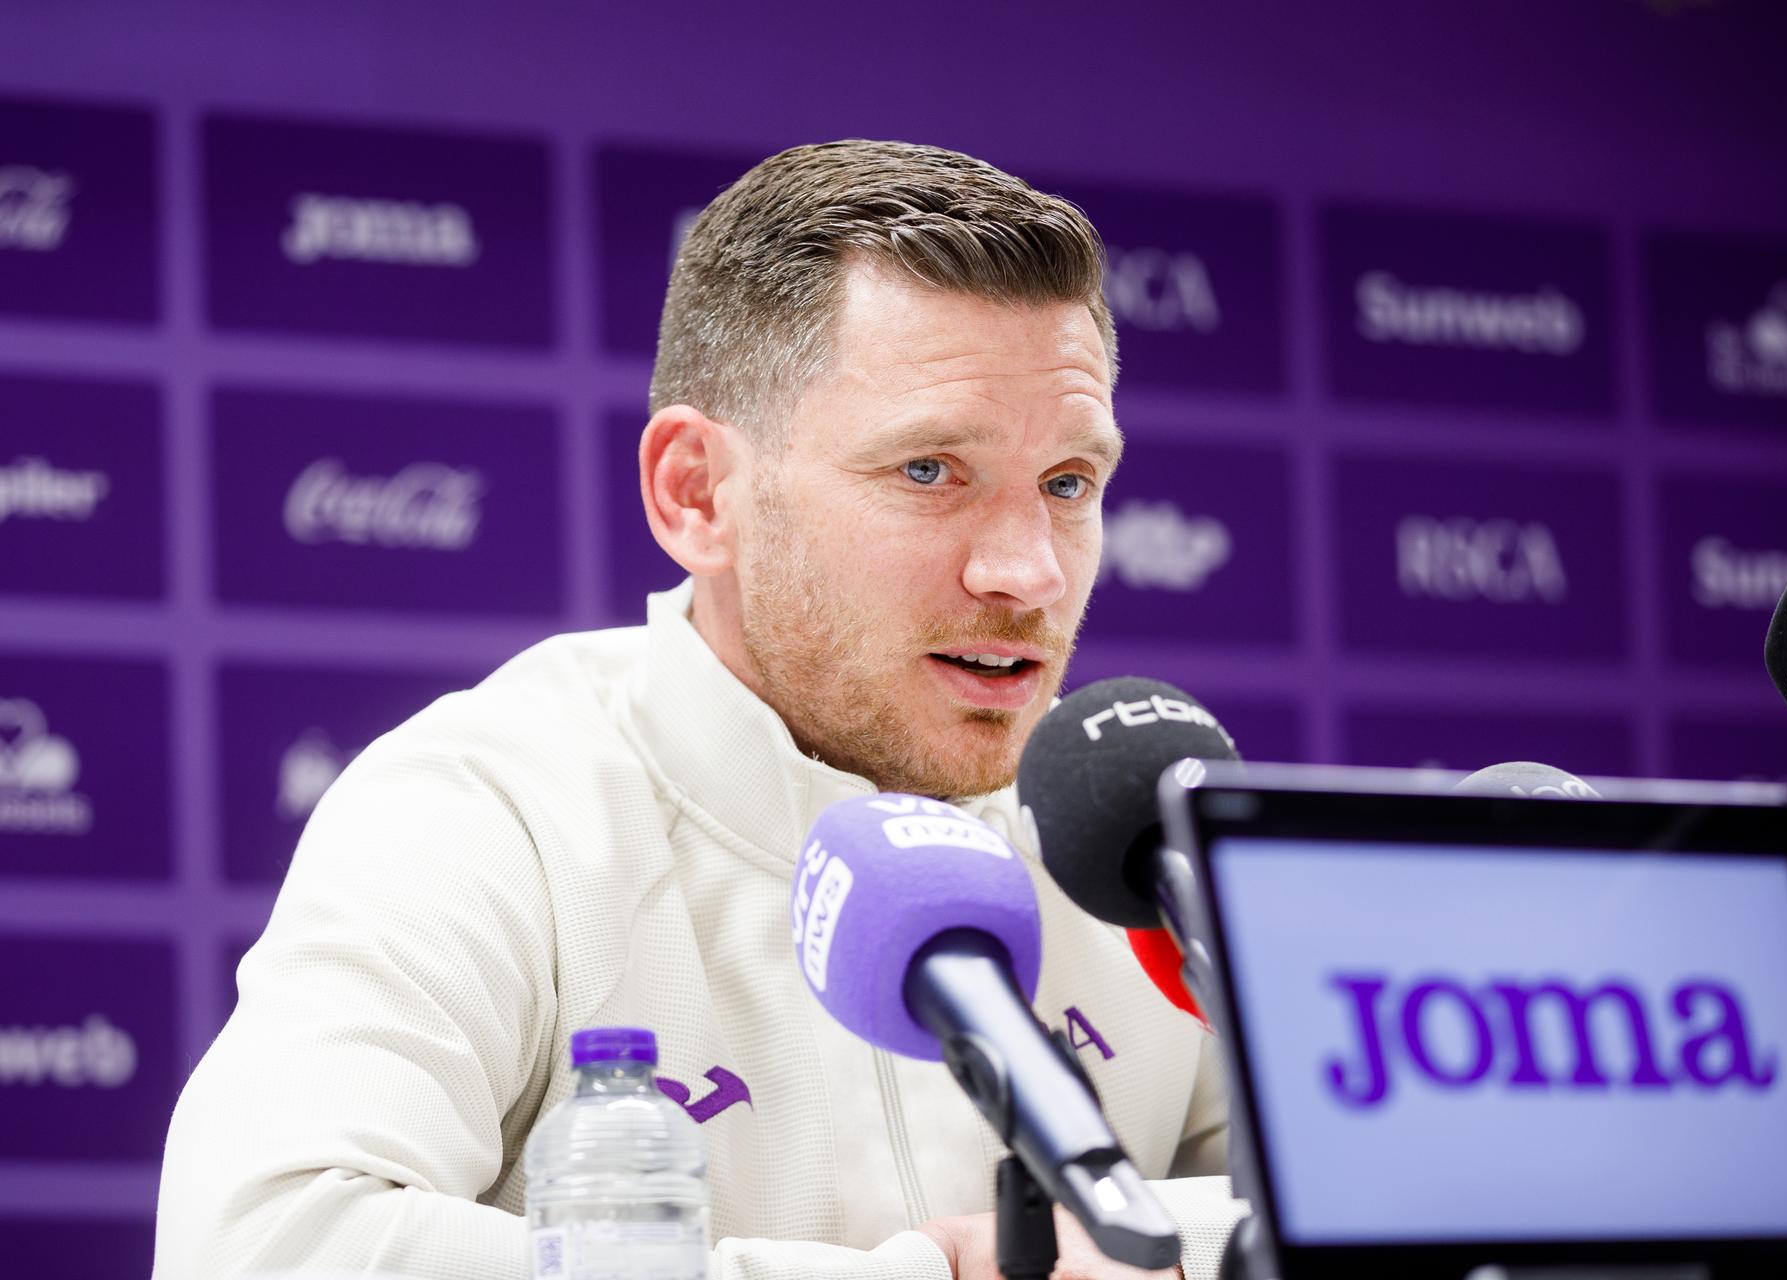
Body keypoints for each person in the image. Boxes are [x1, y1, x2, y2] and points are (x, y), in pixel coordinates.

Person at [155, 139, 1244, 1280]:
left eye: (1068, 483)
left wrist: (1192, 1248)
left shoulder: (1124, 838)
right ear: (697, 492)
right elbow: (258, 1245)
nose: (1027, 572)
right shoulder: (499, 805)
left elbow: (1369, 1216)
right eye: (930, 471)